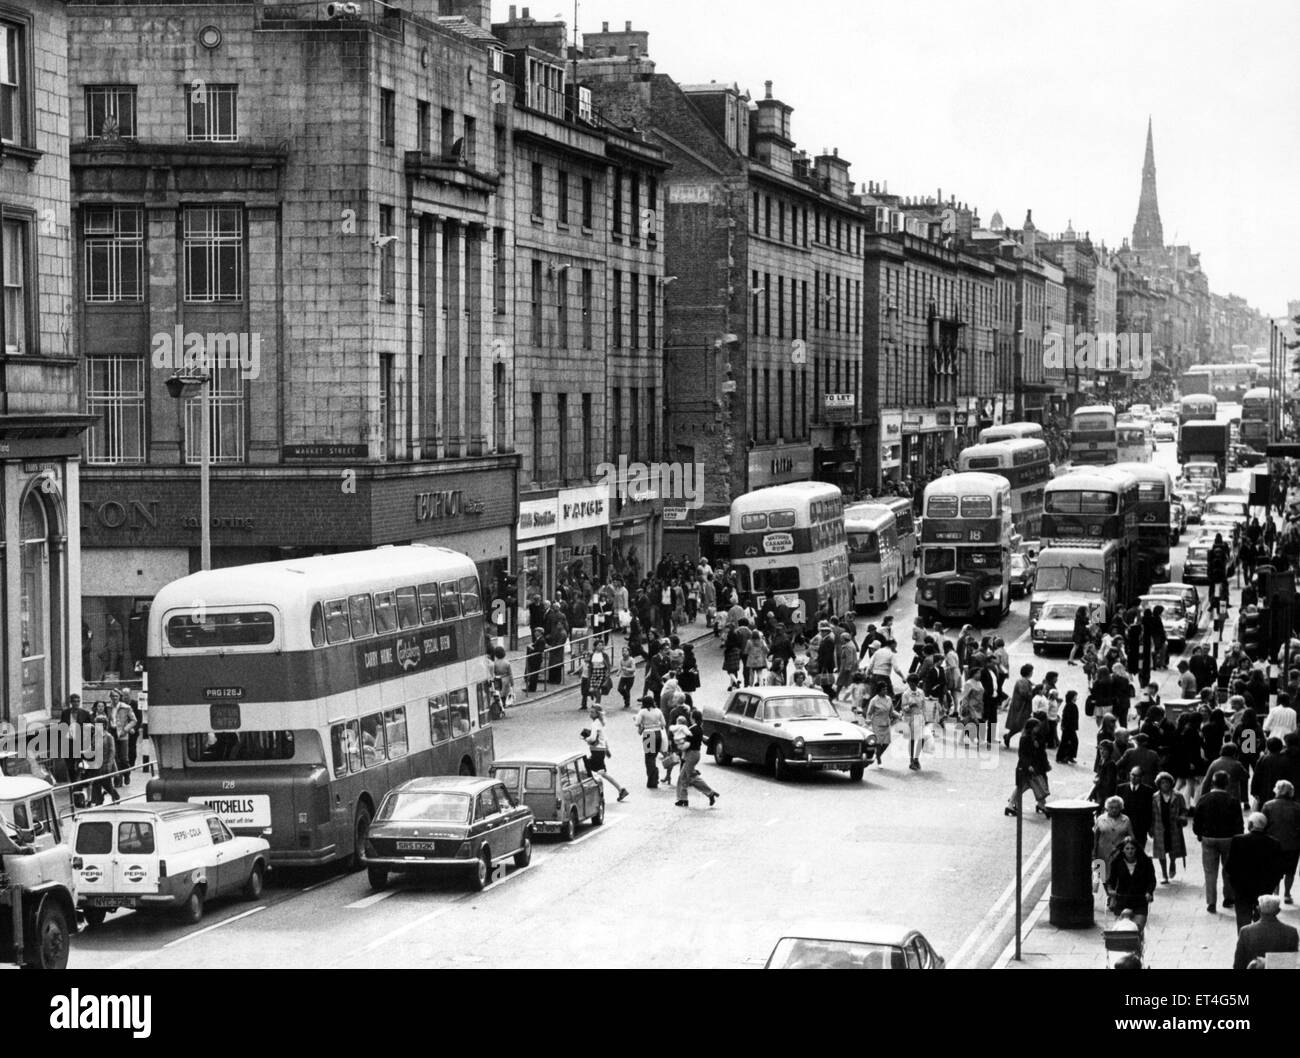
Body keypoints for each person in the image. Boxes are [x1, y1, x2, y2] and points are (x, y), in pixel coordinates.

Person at [1193, 771, 1244, 914]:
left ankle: (1211, 902)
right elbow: (1238, 823)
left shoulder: (1204, 799)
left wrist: (1199, 834)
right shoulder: (1232, 800)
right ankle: (1228, 898)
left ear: (1213, 783)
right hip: (1228, 838)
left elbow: (1197, 820)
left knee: (1210, 872)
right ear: (1226, 784)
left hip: (1208, 838)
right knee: (1228, 870)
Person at [1227, 812, 1287, 932]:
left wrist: (1234, 885)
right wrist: (1271, 886)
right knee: (1262, 923)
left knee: (1243, 924)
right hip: (1264, 891)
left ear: (1249, 825)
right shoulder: (1274, 843)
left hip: (1242, 889)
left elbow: (1230, 866)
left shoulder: (1238, 840)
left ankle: (1244, 944)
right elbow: (1279, 870)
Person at [1233, 894, 1298, 969]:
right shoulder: (1291, 932)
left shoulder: (1246, 931)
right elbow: (1291, 963)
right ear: (1278, 911)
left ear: (1258, 909)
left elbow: (1238, 963)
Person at [1106, 837, 1157, 933]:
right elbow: (1111, 881)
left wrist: (1149, 892)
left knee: (1137, 930)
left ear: (1136, 849)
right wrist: (1110, 891)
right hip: (1122, 900)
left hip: (1140, 900)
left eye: (1132, 848)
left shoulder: (1146, 862)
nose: (1130, 851)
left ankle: (1139, 944)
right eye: (1127, 849)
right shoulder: (1117, 863)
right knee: (1121, 930)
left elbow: (1152, 881)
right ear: (1123, 850)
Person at [581, 705, 629, 803]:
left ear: (597, 714)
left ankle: (597, 797)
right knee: (602, 773)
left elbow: (593, 738)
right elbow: (604, 738)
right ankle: (621, 789)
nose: (590, 714)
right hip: (600, 751)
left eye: (592, 712)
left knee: (587, 771)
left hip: (596, 752)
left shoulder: (595, 724)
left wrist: (586, 739)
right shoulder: (600, 723)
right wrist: (607, 749)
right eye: (590, 712)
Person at [1263, 780, 1300, 904]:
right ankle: (1287, 894)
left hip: (1273, 844)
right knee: (1290, 871)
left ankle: (1276, 893)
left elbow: (1263, 825)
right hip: (1293, 844)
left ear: (1277, 790)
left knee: (1274, 871)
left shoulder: (1268, 805)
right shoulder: (1297, 807)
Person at [675, 709, 719, 809]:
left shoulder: (692, 729)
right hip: (695, 754)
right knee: (687, 776)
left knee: (685, 777)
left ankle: (684, 799)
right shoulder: (699, 728)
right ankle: (684, 798)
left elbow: (686, 743)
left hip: (691, 754)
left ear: (693, 718)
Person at [1005, 717, 1049, 816]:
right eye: (1036, 727)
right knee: (1027, 786)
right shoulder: (1025, 738)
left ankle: (1012, 805)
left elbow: (1041, 749)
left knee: (1031, 785)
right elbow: (1023, 754)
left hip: (1033, 767)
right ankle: (1011, 805)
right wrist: (1028, 765)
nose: (1038, 729)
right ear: (1031, 728)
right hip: (1026, 768)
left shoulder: (1035, 737)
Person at [1150, 772, 1188, 883]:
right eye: (1162, 783)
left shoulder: (1178, 796)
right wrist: (1151, 828)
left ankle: (1172, 863)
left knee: (1173, 849)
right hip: (1159, 827)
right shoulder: (1155, 797)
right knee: (1161, 852)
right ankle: (1164, 874)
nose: (1165, 785)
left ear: (1171, 783)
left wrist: (1182, 818)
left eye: (1167, 782)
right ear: (1159, 784)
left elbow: (1184, 810)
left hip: (1174, 826)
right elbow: (1152, 814)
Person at [1202, 741, 1251, 808]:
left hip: (1216, 796)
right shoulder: (1236, 764)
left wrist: (1203, 797)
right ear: (1234, 753)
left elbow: (1206, 782)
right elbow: (1246, 776)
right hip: (1233, 796)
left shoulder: (1214, 763)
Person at [1118, 766, 1155, 852]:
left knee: (1138, 853)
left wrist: (1149, 827)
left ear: (1142, 777)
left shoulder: (1148, 791)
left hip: (1140, 829)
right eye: (1132, 775)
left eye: (1137, 776)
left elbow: (1150, 811)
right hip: (1123, 828)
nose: (1134, 777)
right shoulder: (1121, 788)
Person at [635, 693, 666, 790]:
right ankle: (654, 777)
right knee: (654, 756)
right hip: (658, 733)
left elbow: (637, 723)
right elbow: (663, 723)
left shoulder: (643, 711)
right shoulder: (658, 711)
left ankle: (653, 779)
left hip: (648, 734)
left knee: (649, 758)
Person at [1093, 795, 1135, 866]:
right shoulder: (1100, 819)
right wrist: (1093, 853)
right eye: (1111, 807)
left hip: (1119, 855)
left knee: (1118, 876)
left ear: (1121, 808)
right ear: (1107, 808)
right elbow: (1095, 838)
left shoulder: (1126, 819)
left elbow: (1132, 837)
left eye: (1117, 808)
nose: (1114, 810)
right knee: (1100, 876)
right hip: (1102, 854)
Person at [863, 683, 898, 766]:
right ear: (879, 690)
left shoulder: (889, 699)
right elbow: (869, 713)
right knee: (878, 744)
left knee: (886, 743)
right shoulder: (874, 700)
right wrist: (868, 720)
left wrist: (899, 715)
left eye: (886, 689)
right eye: (883, 689)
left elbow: (892, 711)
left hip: (886, 724)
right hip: (877, 724)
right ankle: (879, 760)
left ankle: (877, 755)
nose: (885, 691)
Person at [110, 689, 138, 787]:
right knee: (115, 758)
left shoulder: (126, 707)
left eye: (116, 696)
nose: (114, 698)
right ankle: (118, 779)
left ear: (119, 697)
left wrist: (126, 729)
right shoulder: (108, 707)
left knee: (124, 759)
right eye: (112, 696)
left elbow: (134, 720)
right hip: (112, 734)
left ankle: (127, 774)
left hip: (123, 735)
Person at [1003, 664, 1034, 749]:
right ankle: (1011, 738)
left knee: (1022, 725)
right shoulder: (1022, 681)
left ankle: (1009, 737)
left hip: (1023, 706)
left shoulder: (1025, 681)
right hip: (1020, 707)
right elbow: (1024, 693)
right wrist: (1033, 692)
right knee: (1020, 724)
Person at [899, 674, 927, 771]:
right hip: (910, 718)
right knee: (912, 740)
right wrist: (910, 706)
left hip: (919, 717)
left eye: (913, 684)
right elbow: (903, 708)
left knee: (922, 738)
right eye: (910, 684)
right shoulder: (906, 694)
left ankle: (916, 758)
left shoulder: (921, 692)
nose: (911, 686)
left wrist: (925, 718)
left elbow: (924, 705)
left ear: (916, 683)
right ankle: (911, 760)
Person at [1057, 690, 1079, 765]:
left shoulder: (1071, 705)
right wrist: (1065, 726)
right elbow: (1066, 717)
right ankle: (1062, 757)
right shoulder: (1070, 706)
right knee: (1067, 742)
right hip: (1068, 728)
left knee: (1071, 742)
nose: (1076, 698)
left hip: (1070, 727)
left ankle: (1068, 756)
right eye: (1075, 696)